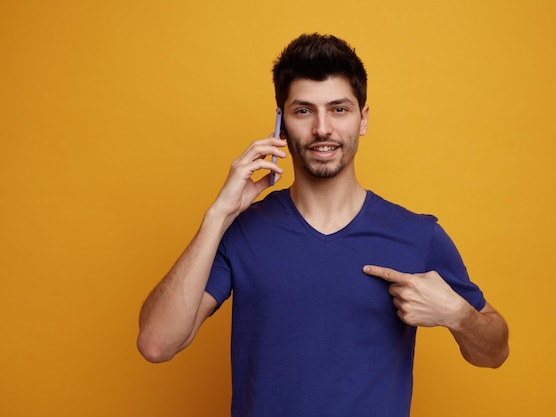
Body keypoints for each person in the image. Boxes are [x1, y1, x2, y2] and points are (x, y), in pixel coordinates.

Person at [137, 33, 509, 417]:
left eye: (339, 109)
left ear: (363, 119)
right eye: (303, 111)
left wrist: (458, 316)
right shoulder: (242, 230)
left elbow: (494, 353)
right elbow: (156, 344)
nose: (322, 129)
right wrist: (217, 215)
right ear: (280, 123)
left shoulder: (418, 235)